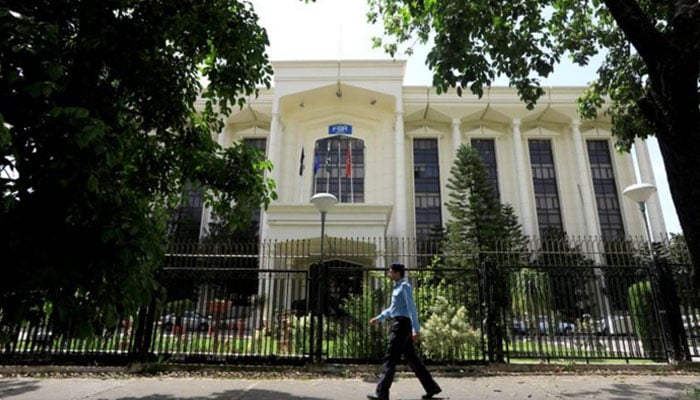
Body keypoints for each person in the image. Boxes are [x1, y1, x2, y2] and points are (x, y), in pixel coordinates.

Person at [368, 262, 442, 400]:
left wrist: (416, 329)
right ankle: (432, 388)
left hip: (401, 326)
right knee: (413, 359)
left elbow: (411, 308)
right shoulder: (396, 288)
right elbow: (392, 309)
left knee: (390, 358)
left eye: (391, 272)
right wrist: (378, 318)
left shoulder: (405, 287)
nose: (389, 274)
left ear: (397, 273)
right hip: (401, 324)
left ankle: (381, 393)